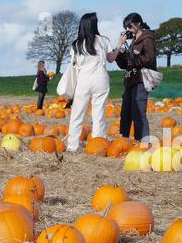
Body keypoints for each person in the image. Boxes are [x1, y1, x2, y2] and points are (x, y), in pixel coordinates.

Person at [63, 14, 113, 152]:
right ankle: (98, 145)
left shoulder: (76, 44)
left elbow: (73, 64)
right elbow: (111, 59)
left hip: (83, 79)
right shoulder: (104, 40)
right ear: (94, 25)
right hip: (100, 78)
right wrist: (120, 44)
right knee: (99, 113)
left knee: (77, 114)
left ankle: (72, 146)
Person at [111, 13, 157, 141]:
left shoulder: (148, 39)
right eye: (126, 28)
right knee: (125, 112)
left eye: (130, 27)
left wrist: (132, 54)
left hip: (142, 79)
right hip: (131, 80)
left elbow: (149, 59)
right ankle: (123, 139)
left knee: (138, 112)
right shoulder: (133, 42)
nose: (128, 30)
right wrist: (121, 53)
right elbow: (125, 65)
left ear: (138, 24)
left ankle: (142, 141)